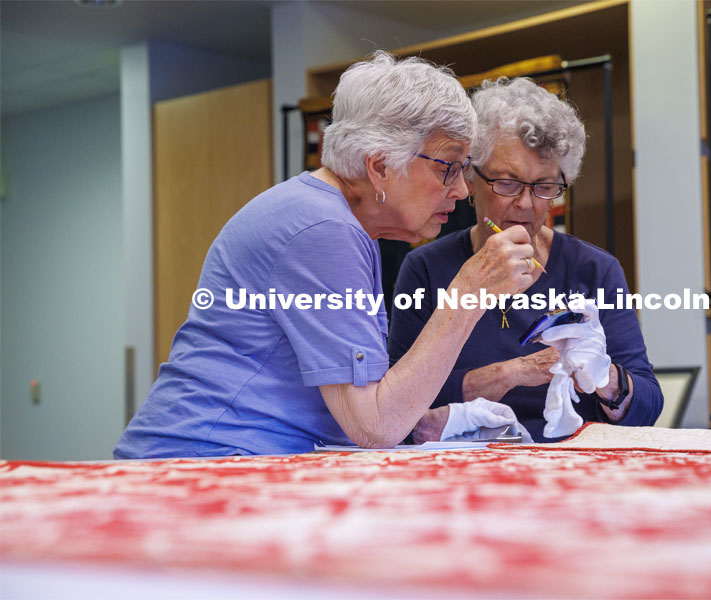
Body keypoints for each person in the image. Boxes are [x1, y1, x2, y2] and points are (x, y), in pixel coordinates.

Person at [114, 53, 540, 458]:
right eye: (448, 166)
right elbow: (374, 427)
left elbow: (362, 407)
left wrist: (431, 422)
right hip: (202, 460)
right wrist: (468, 292)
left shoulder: (337, 221)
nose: (462, 190)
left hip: (228, 455)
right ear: (379, 167)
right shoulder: (323, 229)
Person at [389, 77, 663, 443]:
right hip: (463, 466)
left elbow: (648, 406)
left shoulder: (594, 270)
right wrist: (510, 374)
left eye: (545, 187)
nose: (526, 204)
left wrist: (606, 378)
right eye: (507, 183)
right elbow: (395, 402)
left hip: (573, 467)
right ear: (472, 177)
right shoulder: (427, 269)